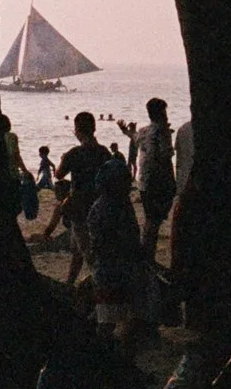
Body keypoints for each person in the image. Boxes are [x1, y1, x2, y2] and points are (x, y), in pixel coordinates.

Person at [84, 156, 152, 352]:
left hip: (109, 270)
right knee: (118, 320)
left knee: (110, 319)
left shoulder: (103, 206)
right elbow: (125, 240)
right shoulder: (116, 208)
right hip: (116, 270)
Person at [45, 112, 112, 289]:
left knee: (87, 250)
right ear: (94, 128)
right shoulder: (104, 152)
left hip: (79, 206)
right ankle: (70, 283)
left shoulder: (74, 153)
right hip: (98, 204)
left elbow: (59, 175)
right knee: (78, 249)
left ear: (77, 131)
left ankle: (102, 288)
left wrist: (62, 159)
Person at [134, 99, 178, 266]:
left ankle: (147, 256)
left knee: (150, 220)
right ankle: (147, 258)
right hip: (159, 181)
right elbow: (165, 156)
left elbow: (136, 139)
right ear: (161, 114)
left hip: (144, 182)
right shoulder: (161, 132)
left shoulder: (143, 131)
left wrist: (126, 131)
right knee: (154, 221)